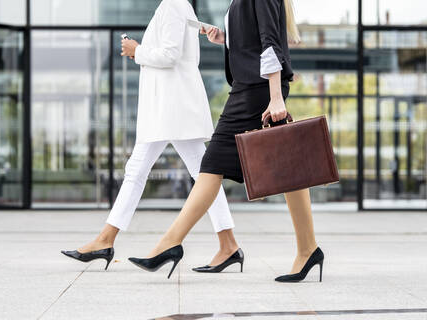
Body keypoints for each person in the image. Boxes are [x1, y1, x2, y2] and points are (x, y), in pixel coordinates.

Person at [129, 0, 325, 283]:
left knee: (213, 164)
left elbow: (270, 43)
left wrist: (276, 97)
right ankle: (308, 250)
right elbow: (254, 39)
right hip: (252, 87)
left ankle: (170, 243)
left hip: (257, 91)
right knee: (287, 167)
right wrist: (226, 38)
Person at [61, 0, 244, 275]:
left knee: (197, 174)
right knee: (199, 173)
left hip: (170, 109)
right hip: (171, 108)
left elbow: (170, 55)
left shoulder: (173, 4)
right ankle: (228, 244)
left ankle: (105, 241)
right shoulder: (178, 5)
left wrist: (137, 51)